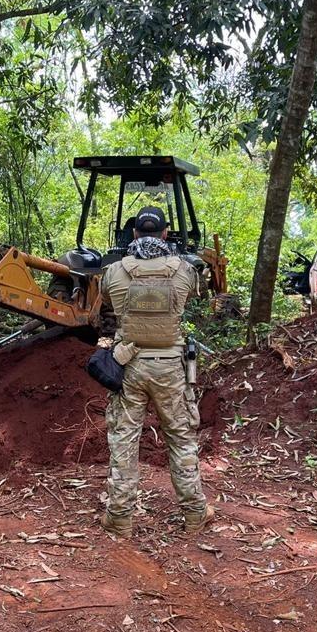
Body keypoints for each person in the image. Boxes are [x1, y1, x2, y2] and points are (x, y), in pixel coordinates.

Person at [98, 206, 214, 537]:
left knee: (124, 439)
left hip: (128, 366)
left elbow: (105, 299)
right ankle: (194, 514)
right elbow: (197, 293)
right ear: (165, 234)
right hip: (171, 369)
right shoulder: (183, 271)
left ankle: (120, 518)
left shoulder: (115, 272)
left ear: (133, 234)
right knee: (180, 438)